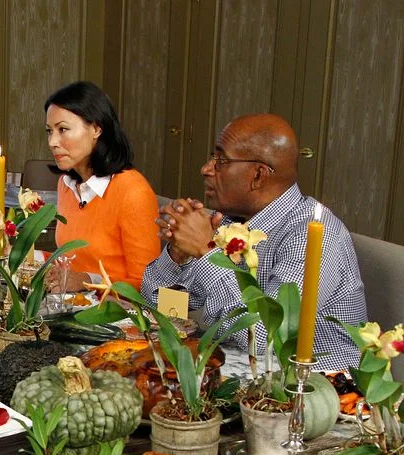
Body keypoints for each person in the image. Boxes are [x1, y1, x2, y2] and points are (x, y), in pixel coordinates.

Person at [142, 113, 366, 371]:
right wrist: (176, 257)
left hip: (313, 386)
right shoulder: (228, 222)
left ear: (258, 175)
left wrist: (207, 251)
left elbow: (264, 336)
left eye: (221, 160)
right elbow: (166, 310)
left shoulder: (312, 234)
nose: (206, 168)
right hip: (240, 369)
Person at [47, 81, 161, 290]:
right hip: (67, 308)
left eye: (63, 129)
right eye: (49, 131)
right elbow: (71, 261)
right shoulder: (66, 184)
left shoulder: (133, 192)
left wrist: (86, 282)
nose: (52, 141)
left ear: (97, 129)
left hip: (114, 317)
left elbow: (147, 285)